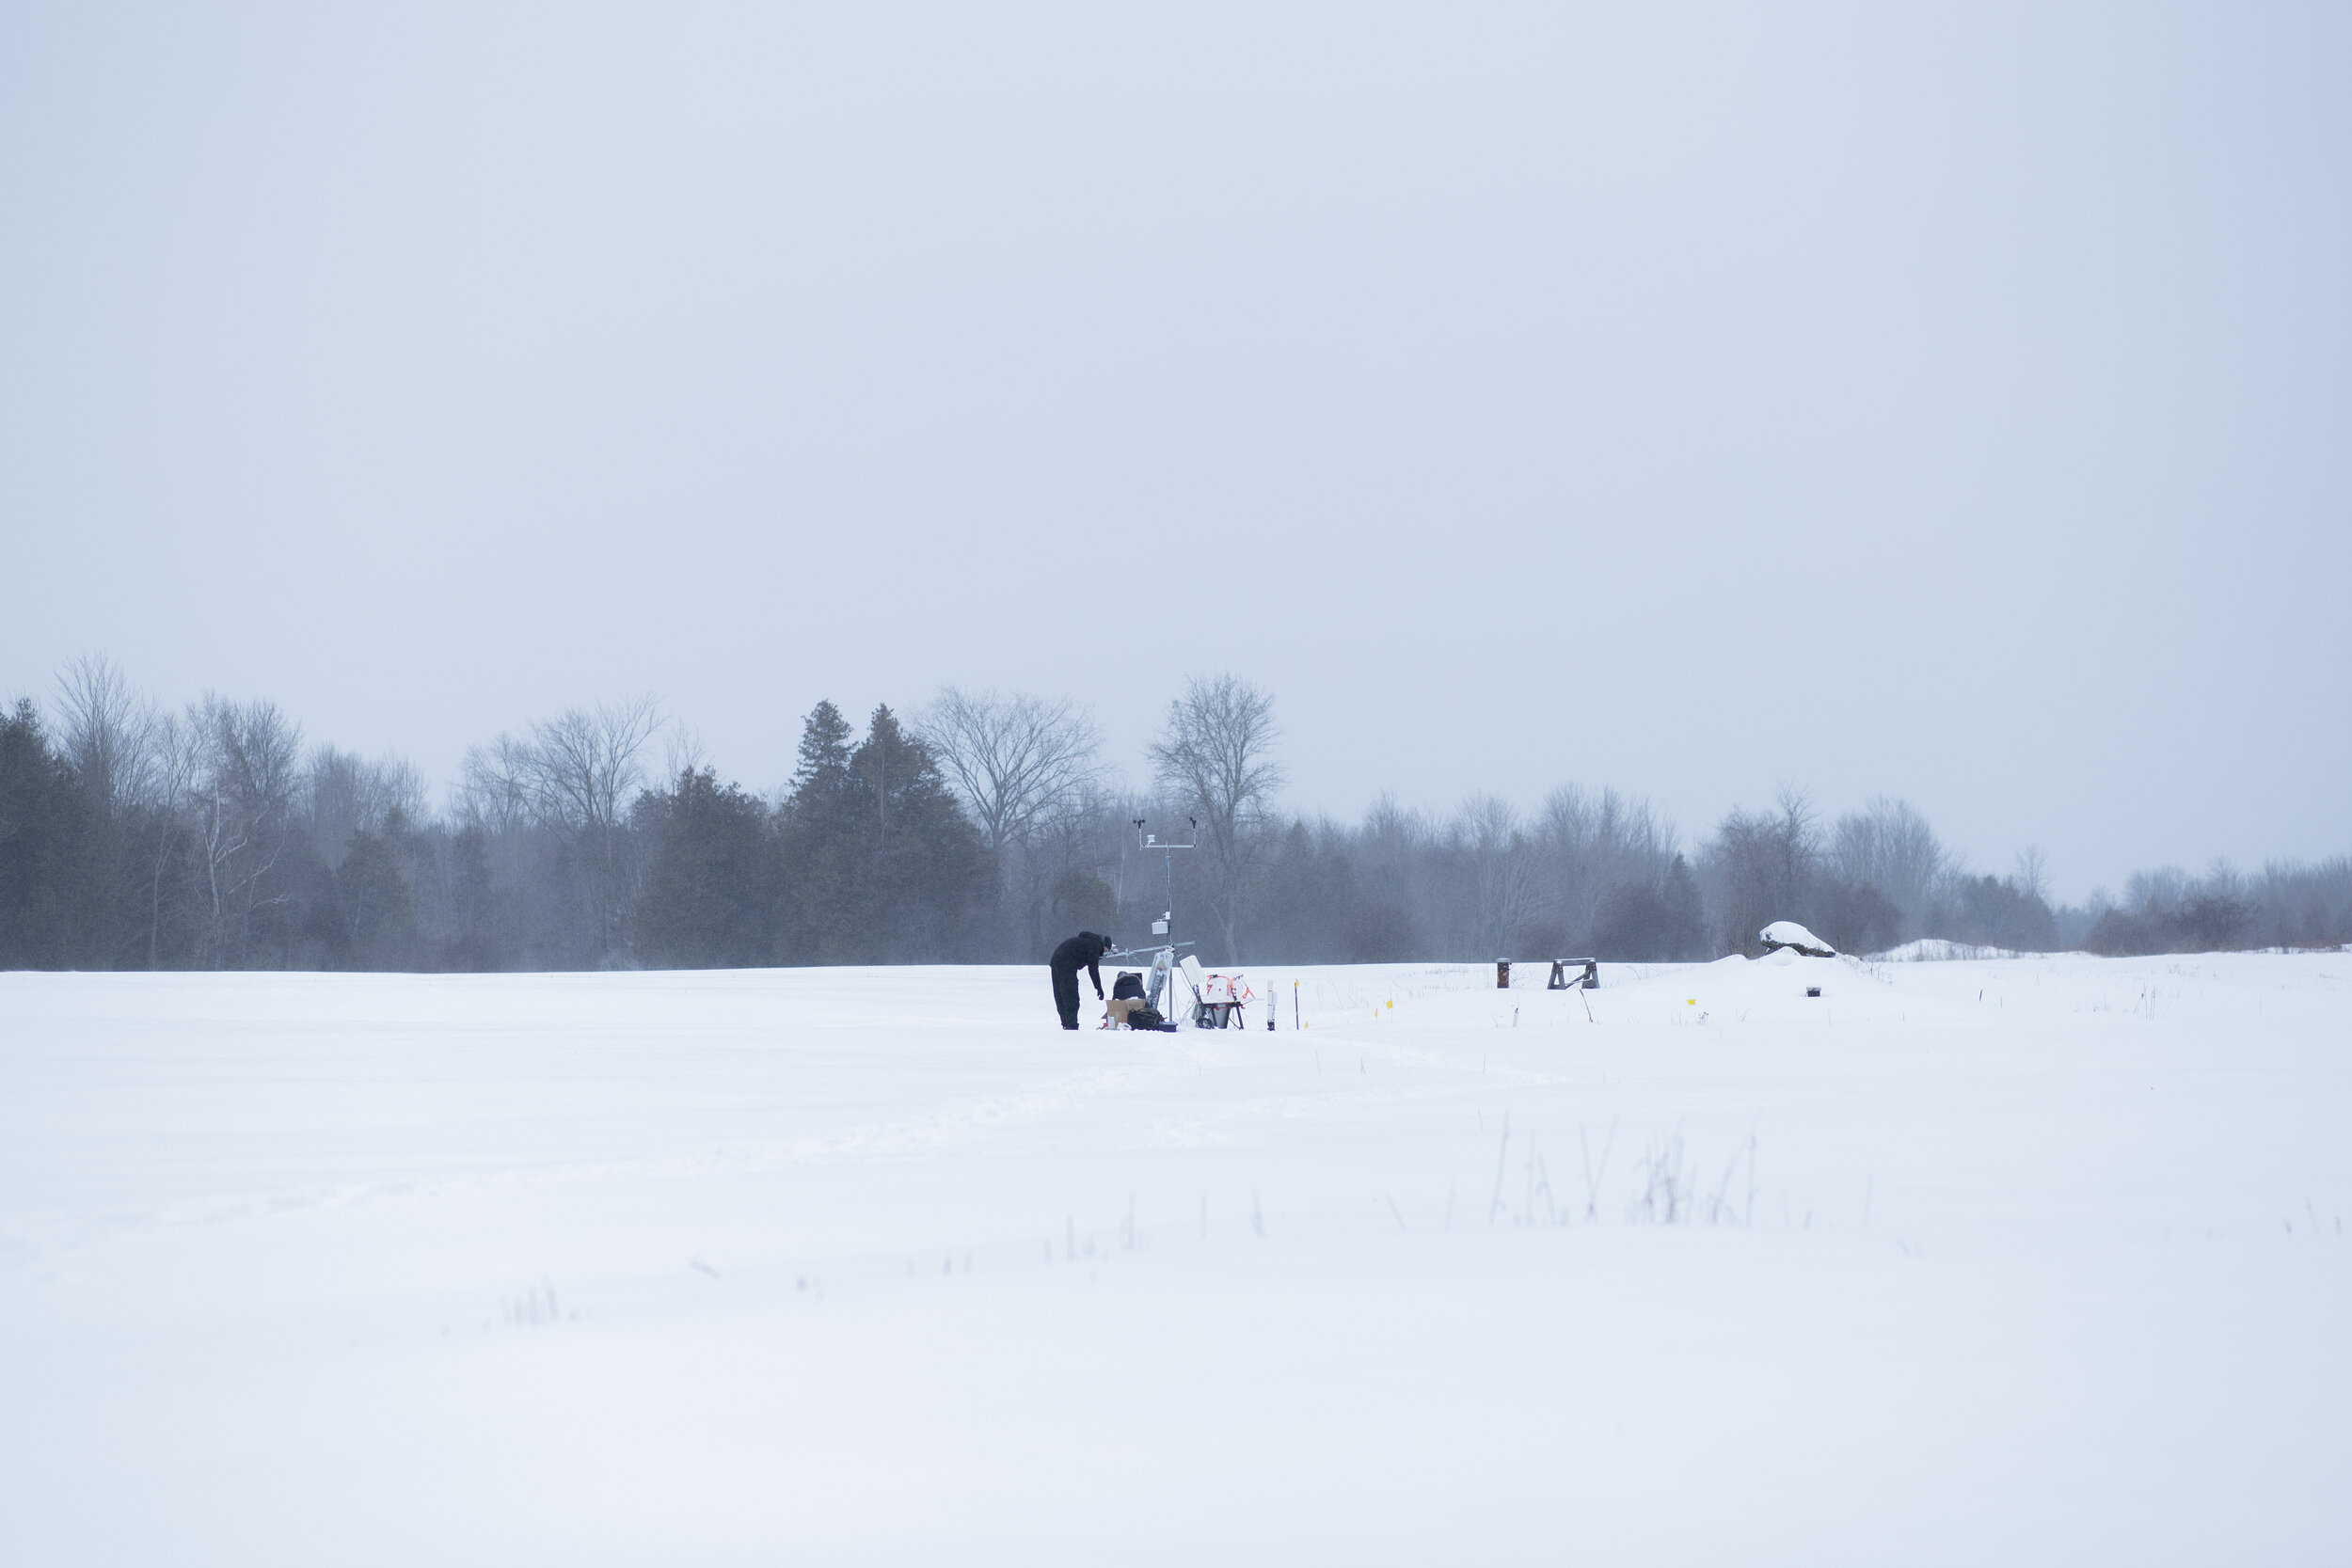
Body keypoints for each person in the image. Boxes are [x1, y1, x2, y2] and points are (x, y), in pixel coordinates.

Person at [1048, 930, 1112, 1030]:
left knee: (1060, 995)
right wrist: (1099, 988)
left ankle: (1066, 1024)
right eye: (1106, 950)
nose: (1104, 953)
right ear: (1103, 945)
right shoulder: (1095, 946)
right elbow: (1093, 970)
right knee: (1071, 996)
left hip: (1056, 961)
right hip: (1066, 964)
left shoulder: (1086, 942)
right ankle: (1072, 1026)